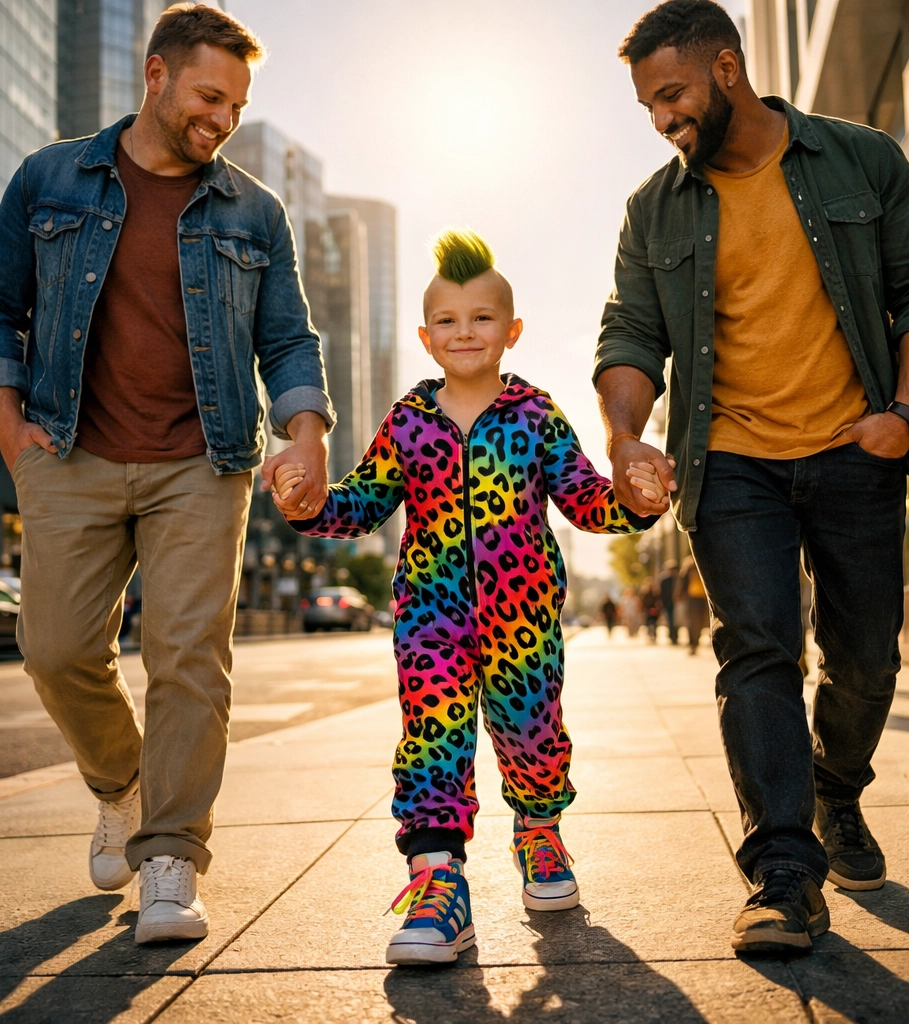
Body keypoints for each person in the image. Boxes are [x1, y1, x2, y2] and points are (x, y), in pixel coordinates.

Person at [596, 1, 909, 954]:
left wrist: (905, 415)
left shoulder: (860, 158)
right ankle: (785, 872)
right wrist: (626, 436)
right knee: (757, 651)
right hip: (730, 464)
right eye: (647, 106)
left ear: (727, 69)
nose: (661, 119)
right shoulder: (654, 208)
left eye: (672, 94)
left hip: (855, 449)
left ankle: (836, 789)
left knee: (867, 656)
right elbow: (631, 333)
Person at [0, 3, 335, 945]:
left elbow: (288, 338)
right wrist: (8, 428)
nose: (223, 119)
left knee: (188, 660)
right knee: (54, 650)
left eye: (237, 105)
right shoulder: (51, 177)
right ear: (156, 75)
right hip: (68, 452)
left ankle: (170, 858)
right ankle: (121, 782)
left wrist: (307, 432)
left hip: (204, 464)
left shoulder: (254, 210)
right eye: (210, 96)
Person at [270, 230, 663, 967]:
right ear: (425, 337)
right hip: (431, 618)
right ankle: (438, 884)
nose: (465, 332)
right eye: (447, 320)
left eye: (482, 317)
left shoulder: (537, 416)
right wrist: (310, 503)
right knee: (433, 740)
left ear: (512, 330)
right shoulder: (407, 421)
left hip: (524, 621)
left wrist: (635, 502)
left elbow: (584, 497)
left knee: (532, 735)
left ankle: (539, 832)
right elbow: (361, 503)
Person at [677, 556, 709, 655]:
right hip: (695, 598)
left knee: (698, 622)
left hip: (701, 598)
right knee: (695, 622)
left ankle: (694, 643)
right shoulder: (690, 569)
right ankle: (693, 643)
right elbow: (682, 583)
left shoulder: (701, 568)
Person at [659, 559, 678, 644]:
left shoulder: (678, 579)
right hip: (668, 603)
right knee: (670, 620)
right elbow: (661, 592)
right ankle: (672, 637)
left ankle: (675, 636)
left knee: (677, 620)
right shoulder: (664, 580)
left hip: (677, 603)